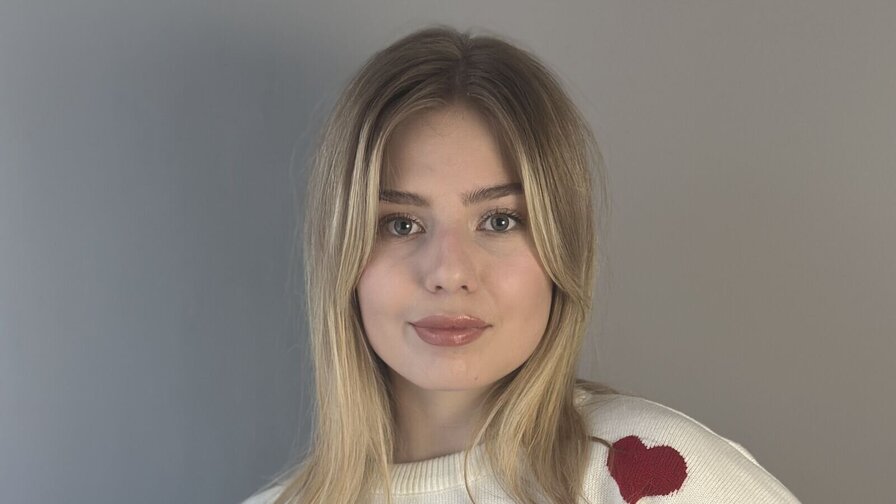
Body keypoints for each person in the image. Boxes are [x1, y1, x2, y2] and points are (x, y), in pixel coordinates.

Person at [242, 24, 800, 504]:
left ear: (562, 249)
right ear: (341, 254)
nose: (449, 272)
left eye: (500, 220)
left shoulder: (651, 474)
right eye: (401, 224)